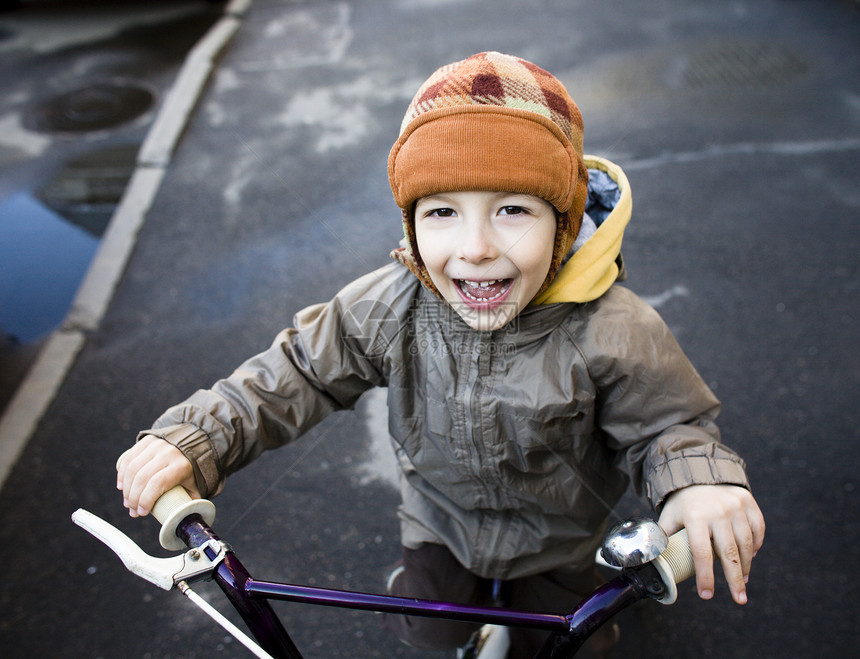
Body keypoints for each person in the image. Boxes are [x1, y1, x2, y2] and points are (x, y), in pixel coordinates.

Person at [116, 52, 765, 656]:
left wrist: (698, 481)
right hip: (440, 521)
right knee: (427, 626)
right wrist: (198, 435)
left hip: (562, 537)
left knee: (573, 640)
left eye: (512, 209)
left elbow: (668, 425)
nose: (475, 246)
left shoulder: (613, 326)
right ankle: (457, 618)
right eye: (443, 213)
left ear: (563, 221)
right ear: (412, 222)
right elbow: (296, 373)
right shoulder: (390, 304)